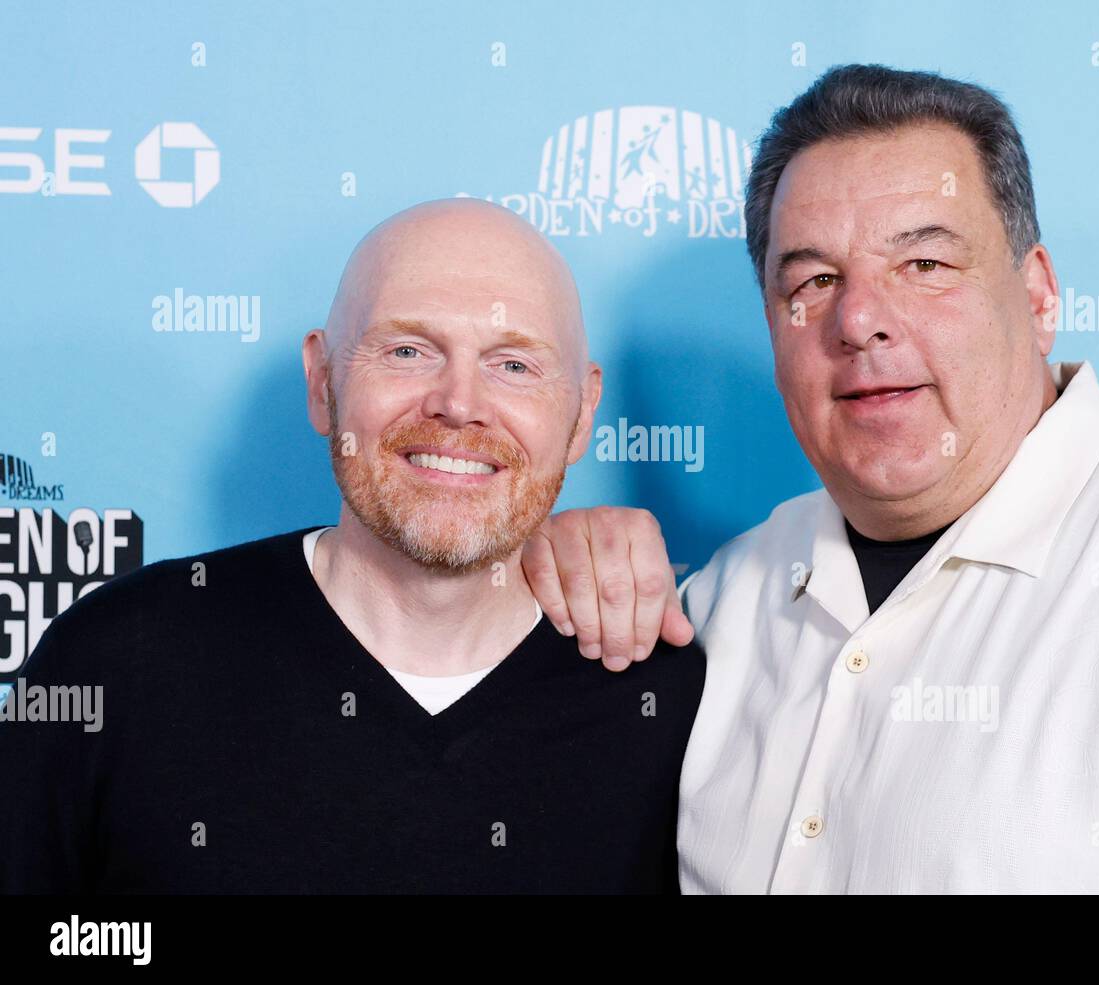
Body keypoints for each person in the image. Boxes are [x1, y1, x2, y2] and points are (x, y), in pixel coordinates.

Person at [521, 65, 1099, 892]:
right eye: (814, 281)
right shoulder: (722, 602)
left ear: (1038, 296)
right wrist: (539, 569)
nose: (859, 321)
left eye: (924, 263)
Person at [0, 199, 704, 893]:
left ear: (582, 415)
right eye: (407, 351)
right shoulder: (116, 660)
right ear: (322, 381)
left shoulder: (671, 698)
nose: (458, 404)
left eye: (514, 364)